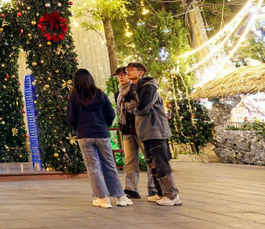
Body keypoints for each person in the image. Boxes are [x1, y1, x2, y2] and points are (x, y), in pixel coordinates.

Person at [67, 68, 132, 209]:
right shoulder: (100, 94)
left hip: (85, 135)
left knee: (93, 168)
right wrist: (104, 125)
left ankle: (103, 199)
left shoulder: (74, 97)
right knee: (109, 165)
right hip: (102, 134)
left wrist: (78, 127)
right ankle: (120, 197)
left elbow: (71, 118)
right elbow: (110, 112)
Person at [126, 62, 182, 206]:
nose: (128, 72)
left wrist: (135, 107)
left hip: (155, 130)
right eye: (127, 69)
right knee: (152, 163)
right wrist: (134, 106)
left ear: (141, 72)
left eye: (132, 69)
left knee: (161, 162)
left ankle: (171, 195)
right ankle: (161, 193)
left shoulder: (148, 87)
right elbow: (128, 105)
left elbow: (143, 107)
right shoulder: (134, 88)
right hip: (144, 131)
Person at [114, 66, 161, 200]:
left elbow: (140, 107)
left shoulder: (136, 88)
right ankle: (131, 189)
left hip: (140, 127)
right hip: (127, 129)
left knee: (149, 158)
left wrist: (132, 106)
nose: (122, 77)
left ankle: (153, 188)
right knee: (129, 161)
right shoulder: (119, 93)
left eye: (124, 74)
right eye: (119, 75)